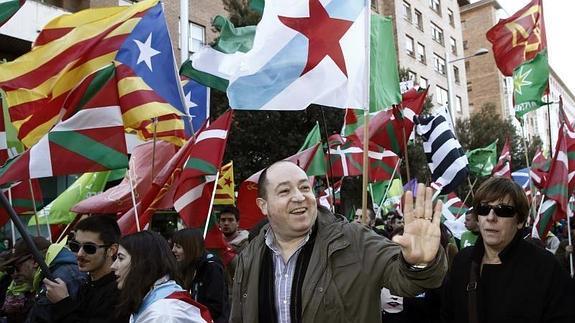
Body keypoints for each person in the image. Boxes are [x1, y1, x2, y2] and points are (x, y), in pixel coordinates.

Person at [230, 161, 447, 323]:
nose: (299, 197)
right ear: (263, 205)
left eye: (305, 188)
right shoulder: (249, 256)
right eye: (285, 191)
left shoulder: (353, 239)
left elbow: (406, 280)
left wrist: (419, 263)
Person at [441, 177, 571, 323]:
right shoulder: (462, 261)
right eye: (484, 209)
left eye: (503, 210)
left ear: (520, 220)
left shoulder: (545, 267)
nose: (491, 217)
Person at [111, 230, 212, 323]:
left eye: (120, 258)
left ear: (143, 263)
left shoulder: (162, 315)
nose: (113, 266)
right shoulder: (154, 300)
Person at [43, 215, 128, 322]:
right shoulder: (86, 285)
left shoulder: (120, 292)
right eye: (75, 246)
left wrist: (63, 302)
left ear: (111, 250)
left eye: (89, 248)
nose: (79, 254)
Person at [1, 236, 85, 323]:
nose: (15, 273)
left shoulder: (56, 281)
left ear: (35, 261)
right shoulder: (53, 274)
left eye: (17, 267)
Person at [171, 229, 229, 323]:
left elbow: (215, 307)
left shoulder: (211, 267)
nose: (173, 250)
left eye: (178, 246)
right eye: (173, 246)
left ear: (190, 247)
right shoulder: (185, 267)